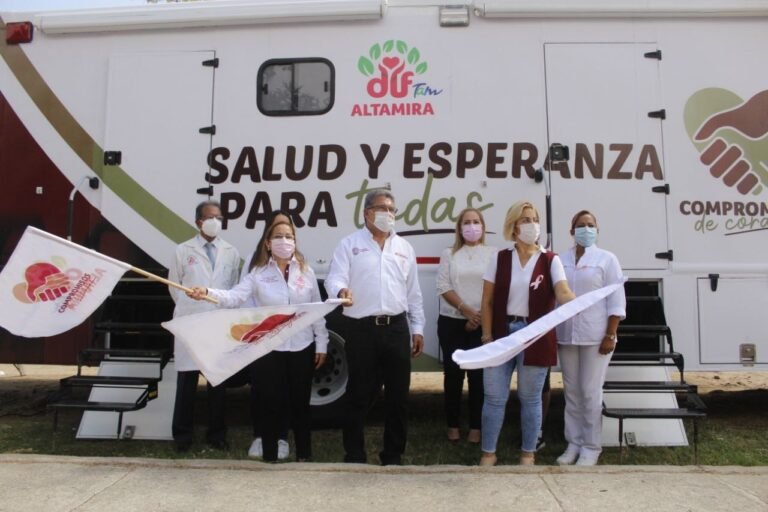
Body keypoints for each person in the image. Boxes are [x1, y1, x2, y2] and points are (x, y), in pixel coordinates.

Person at [187, 220, 328, 462]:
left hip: (301, 347)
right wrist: (208, 293)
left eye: (289, 236)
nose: (285, 241)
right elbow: (234, 297)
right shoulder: (258, 273)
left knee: (300, 405)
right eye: (279, 236)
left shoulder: (306, 271)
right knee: (270, 403)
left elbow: (316, 310)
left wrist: (322, 343)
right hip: (268, 348)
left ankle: (305, 456)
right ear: (268, 243)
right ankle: (270, 457)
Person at [325, 189, 425, 465]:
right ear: (366, 212)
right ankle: (354, 454)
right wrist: (341, 289)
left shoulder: (404, 248)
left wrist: (418, 328)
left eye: (392, 209)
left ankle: (393, 455)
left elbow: (413, 292)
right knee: (359, 394)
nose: (389, 214)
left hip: (396, 328)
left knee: (398, 397)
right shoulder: (349, 244)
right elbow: (334, 278)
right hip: (361, 329)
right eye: (382, 208)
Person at [479, 200, 575, 466]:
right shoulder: (500, 258)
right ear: (513, 226)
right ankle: (488, 453)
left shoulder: (549, 259)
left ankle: (528, 453)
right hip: (502, 334)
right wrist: (487, 336)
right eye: (525, 220)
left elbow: (562, 290)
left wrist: (576, 302)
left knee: (530, 398)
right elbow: (486, 300)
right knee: (494, 397)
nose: (532, 225)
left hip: (536, 336)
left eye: (534, 219)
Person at [168, 200, 241, 451]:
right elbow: (174, 287)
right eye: (211, 218)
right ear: (198, 221)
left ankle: (217, 435)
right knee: (186, 383)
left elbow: (232, 288)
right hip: (191, 323)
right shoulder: (183, 250)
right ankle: (182, 436)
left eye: (219, 218)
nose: (215, 222)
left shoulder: (231, 251)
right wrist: (193, 310)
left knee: (217, 383)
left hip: (218, 324)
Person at [555, 210, 626, 466]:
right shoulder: (559, 259)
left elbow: (616, 301)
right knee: (571, 392)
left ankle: (591, 447)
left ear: (597, 230)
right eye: (581, 225)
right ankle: (573, 443)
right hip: (566, 336)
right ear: (572, 231)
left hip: (596, 336)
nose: (586, 229)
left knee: (590, 392)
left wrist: (610, 333)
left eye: (591, 225)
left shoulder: (607, 259)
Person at [436, 208, 497, 444]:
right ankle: (452, 425)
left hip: (483, 322)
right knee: (453, 375)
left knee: (478, 377)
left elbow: (495, 287)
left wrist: (479, 317)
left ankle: (476, 426)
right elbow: (443, 286)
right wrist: (466, 310)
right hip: (452, 321)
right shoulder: (449, 254)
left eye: (476, 222)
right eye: (467, 222)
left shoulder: (493, 254)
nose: (472, 226)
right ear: (459, 228)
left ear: (482, 226)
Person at [240, 210, 296, 461]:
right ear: (268, 235)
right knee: (259, 391)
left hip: (286, 337)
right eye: (277, 230)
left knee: (282, 392)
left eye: (288, 232)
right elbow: (243, 296)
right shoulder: (254, 260)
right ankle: (260, 436)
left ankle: (282, 437)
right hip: (259, 335)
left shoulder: (297, 262)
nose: (283, 239)